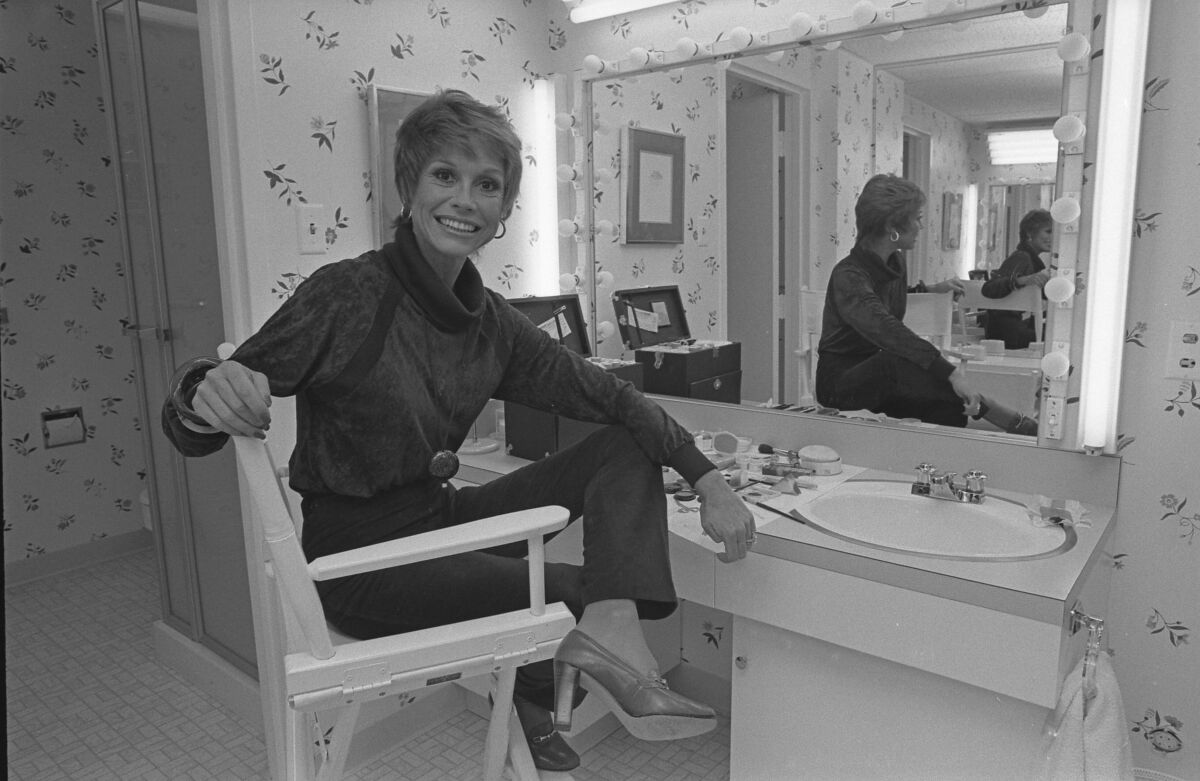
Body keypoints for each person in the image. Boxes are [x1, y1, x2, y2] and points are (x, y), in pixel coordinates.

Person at [161, 90, 754, 772]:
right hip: (358, 559)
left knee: (623, 448)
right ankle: (555, 685)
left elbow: (612, 395)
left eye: (487, 185)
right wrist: (204, 386)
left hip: (436, 518)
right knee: (568, 590)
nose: (465, 200)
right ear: (409, 185)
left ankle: (607, 638)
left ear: (503, 210)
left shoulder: (493, 323)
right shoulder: (347, 295)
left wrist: (707, 478)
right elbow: (200, 417)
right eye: (445, 175)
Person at [815, 174, 1036, 436]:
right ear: (892, 227)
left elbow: (881, 300)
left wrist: (929, 290)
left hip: (880, 381)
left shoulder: (894, 264)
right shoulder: (848, 275)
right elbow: (885, 328)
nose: (922, 226)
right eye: (917, 219)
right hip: (841, 384)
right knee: (898, 360)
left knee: (942, 406)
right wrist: (951, 373)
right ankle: (1003, 415)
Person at [981, 208, 1052, 349]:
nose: (1052, 237)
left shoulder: (1032, 261)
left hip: (1013, 331)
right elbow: (989, 288)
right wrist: (1021, 280)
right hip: (1008, 333)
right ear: (1029, 234)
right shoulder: (1022, 257)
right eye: (1048, 231)